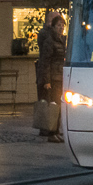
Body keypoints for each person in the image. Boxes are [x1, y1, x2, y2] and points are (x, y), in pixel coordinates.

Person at [36, 11, 67, 142]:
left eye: (62, 25)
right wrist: (46, 80)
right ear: (53, 27)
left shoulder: (62, 40)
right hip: (53, 78)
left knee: (58, 106)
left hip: (60, 76)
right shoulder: (50, 41)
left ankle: (56, 130)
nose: (61, 28)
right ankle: (51, 132)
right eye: (59, 25)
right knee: (54, 106)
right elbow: (45, 61)